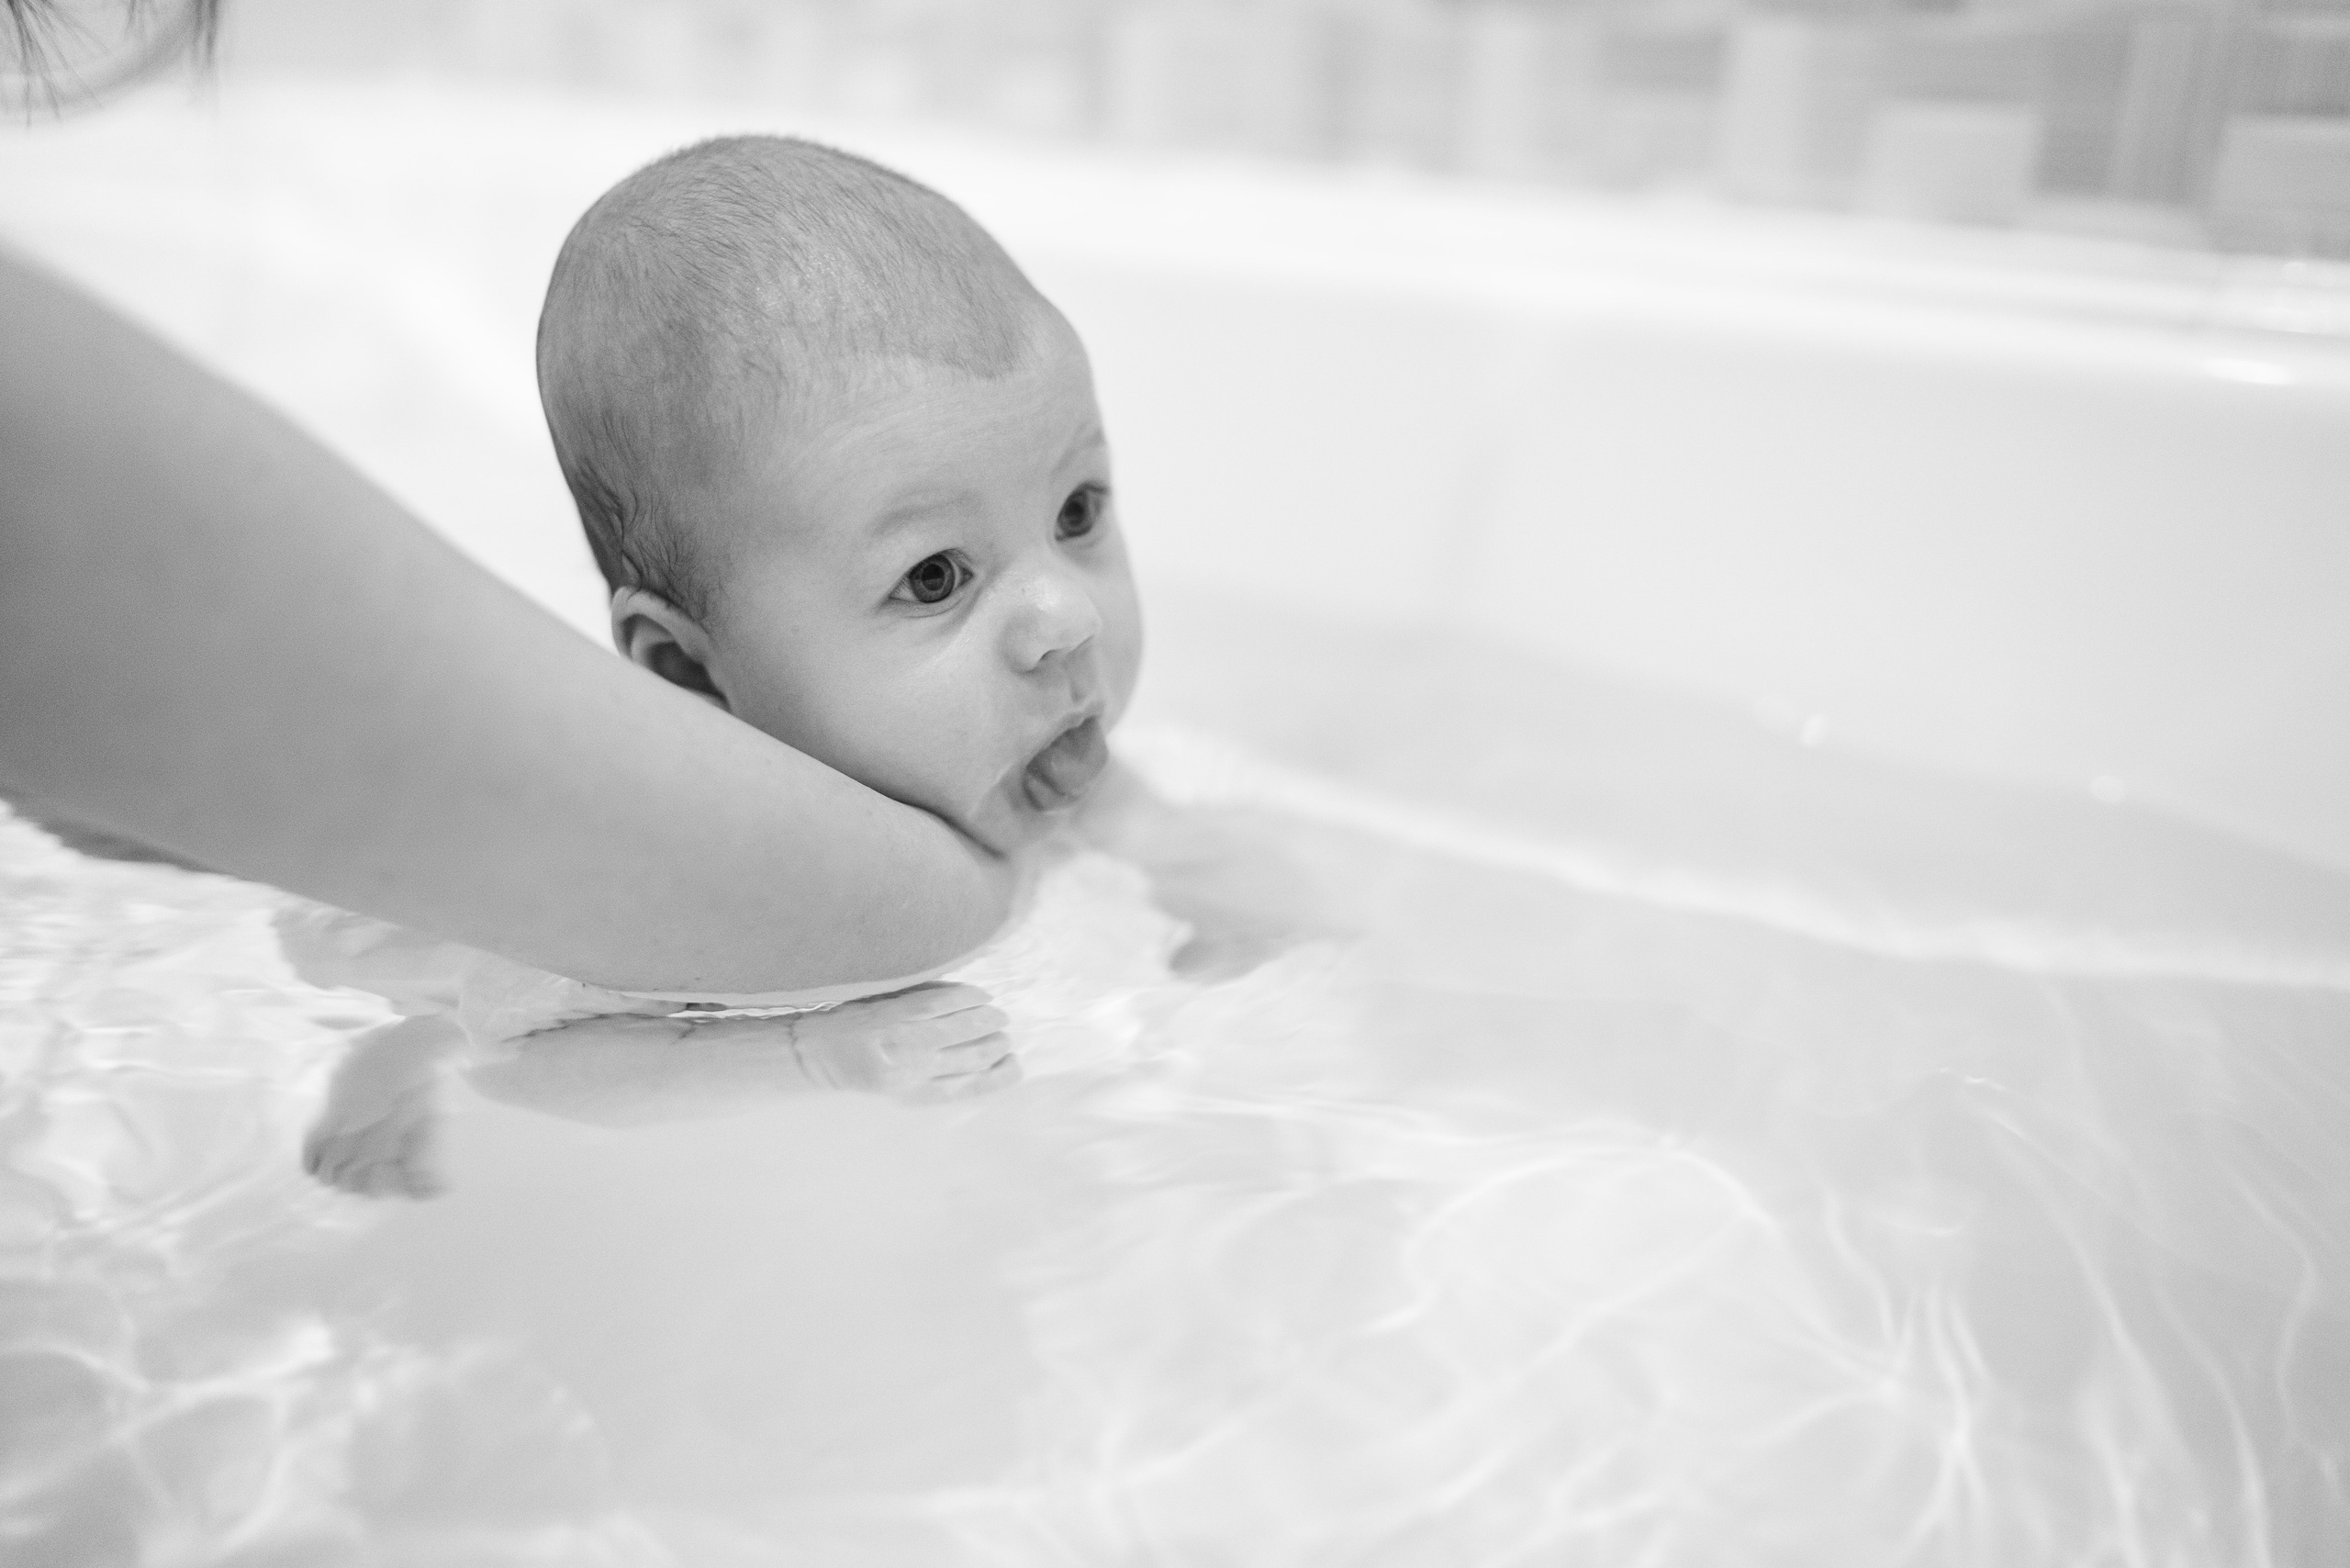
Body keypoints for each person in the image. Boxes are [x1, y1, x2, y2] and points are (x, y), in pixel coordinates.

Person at [290, 134, 1322, 1197]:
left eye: (1076, 510)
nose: (1064, 617)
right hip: (432, 945)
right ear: (693, 675)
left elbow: (1107, 803)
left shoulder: (1017, 742)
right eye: (934, 578)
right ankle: (393, 1052)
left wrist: (1204, 873)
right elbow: (544, 1065)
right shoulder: (687, 882)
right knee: (437, 1024)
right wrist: (811, 1055)